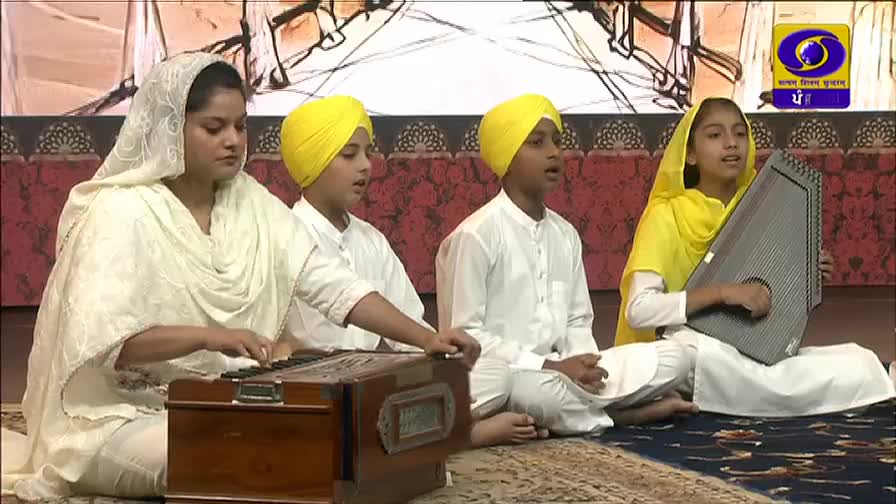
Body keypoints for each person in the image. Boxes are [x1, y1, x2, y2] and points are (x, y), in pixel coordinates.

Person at [0, 52, 479, 500]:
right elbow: (108, 345)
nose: (232, 140)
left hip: (223, 400)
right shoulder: (119, 211)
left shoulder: (248, 201)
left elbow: (333, 286)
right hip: (116, 415)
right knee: (238, 463)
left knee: (335, 450)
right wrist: (209, 337)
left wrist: (425, 339)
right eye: (214, 127)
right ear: (171, 128)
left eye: (241, 126)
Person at [436, 93, 698, 447]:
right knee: (535, 394)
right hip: (513, 374)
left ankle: (590, 410)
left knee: (676, 358)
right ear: (507, 157)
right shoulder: (476, 234)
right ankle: (621, 415)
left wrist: (584, 366)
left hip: (564, 370)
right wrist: (551, 368)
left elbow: (578, 320)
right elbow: (466, 336)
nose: (554, 153)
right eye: (536, 143)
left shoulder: (565, 234)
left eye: (558, 142)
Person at [615, 96, 895, 416]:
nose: (731, 144)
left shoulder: (759, 208)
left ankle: (863, 378)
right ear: (689, 153)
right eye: (715, 135)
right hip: (692, 348)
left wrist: (804, 277)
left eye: (739, 133)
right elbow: (639, 311)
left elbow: (770, 316)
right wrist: (720, 293)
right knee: (695, 359)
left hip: (744, 350)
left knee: (855, 359)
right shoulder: (665, 216)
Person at [276, 95, 427, 355]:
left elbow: (412, 330)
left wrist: (440, 352)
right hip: (305, 386)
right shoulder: (283, 235)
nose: (365, 166)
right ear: (313, 161)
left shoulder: (372, 240)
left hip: (371, 379)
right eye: (349, 155)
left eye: (367, 154)